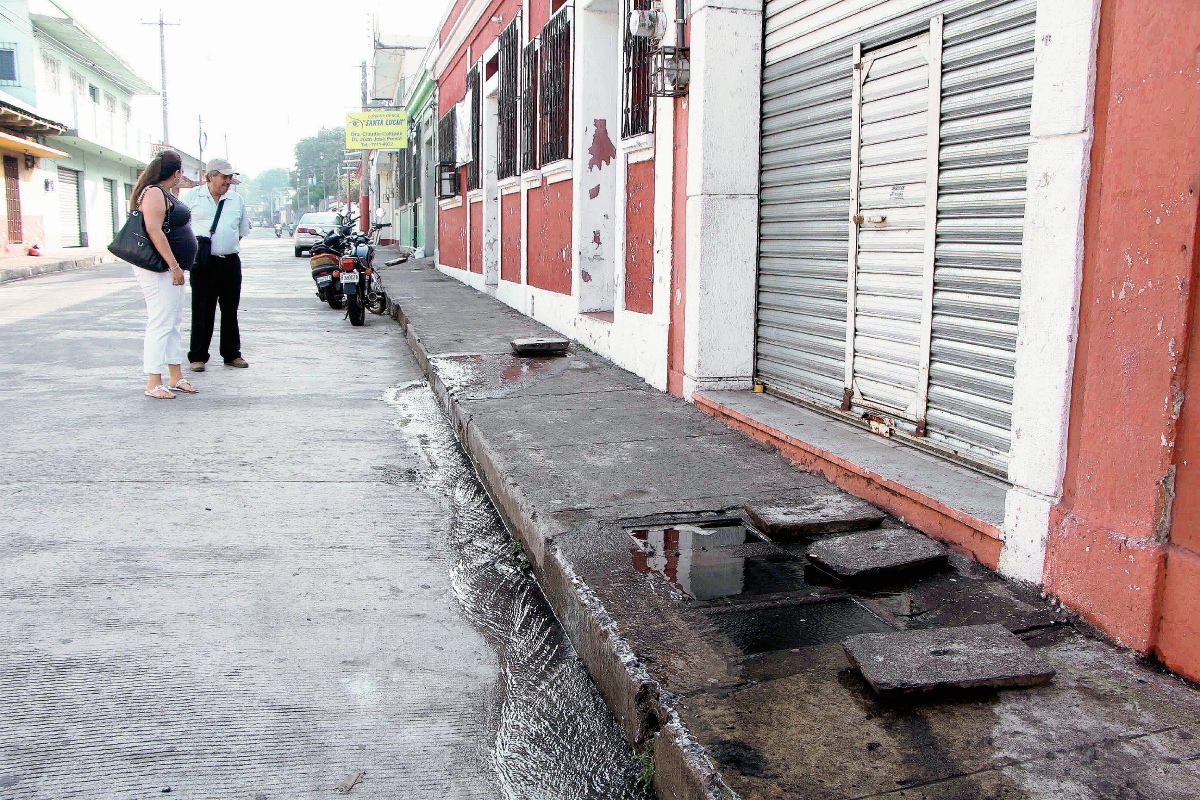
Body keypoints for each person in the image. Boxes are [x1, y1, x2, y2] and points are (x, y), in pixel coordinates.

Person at [128, 149, 199, 399]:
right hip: (158, 268)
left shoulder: (164, 192)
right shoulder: (154, 192)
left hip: (168, 267)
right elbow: (154, 230)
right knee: (160, 322)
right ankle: (153, 381)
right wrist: (173, 266)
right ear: (177, 172)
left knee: (173, 322)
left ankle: (175, 376)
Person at [185, 157, 251, 371]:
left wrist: (224, 246)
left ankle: (232, 354)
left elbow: (241, 231)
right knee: (202, 310)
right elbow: (180, 230)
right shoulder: (192, 198)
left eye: (230, 177)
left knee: (230, 310)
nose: (227, 181)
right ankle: (198, 356)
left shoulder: (236, 199)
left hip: (230, 262)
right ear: (211, 176)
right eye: (224, 177)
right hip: (203, 263)